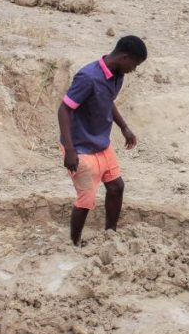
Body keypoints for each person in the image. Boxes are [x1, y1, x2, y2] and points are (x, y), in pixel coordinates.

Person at [57, 35, 147, 246]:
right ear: (125, 57)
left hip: (101, 144)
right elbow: (64, 109)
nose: (134, 70)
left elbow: (107, 102)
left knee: (116, 187)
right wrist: (69, 149)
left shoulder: (117, 75)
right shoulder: (88, 77)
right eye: (134, 64)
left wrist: (124, 127)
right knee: (86, 200)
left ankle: (110, 235)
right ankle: (75, 244)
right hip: (80, 147)